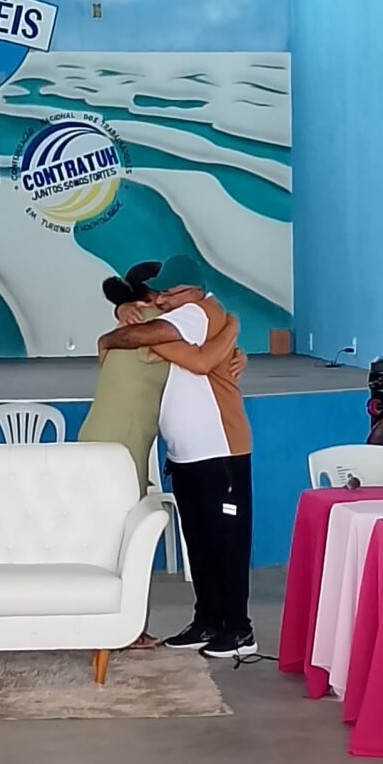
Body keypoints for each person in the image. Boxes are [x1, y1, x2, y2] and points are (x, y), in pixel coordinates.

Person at [96, 255, 255, 659]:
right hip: (186, 454)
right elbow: (148, 326)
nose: (163, 298)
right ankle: (207, 620)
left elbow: (190, 357)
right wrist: (121, 312)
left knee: (226, 541)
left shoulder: (197, 312)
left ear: (193, 290)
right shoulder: (186, 316)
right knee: (199, 541)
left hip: (220, 448)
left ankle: (239, 628)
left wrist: (114, 337)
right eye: (161, 292)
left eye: (171, 292)